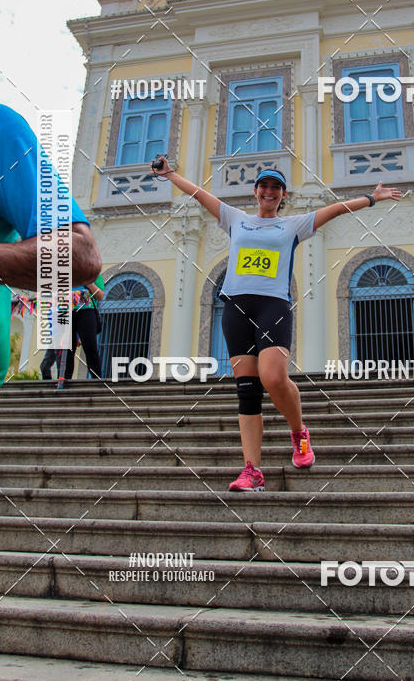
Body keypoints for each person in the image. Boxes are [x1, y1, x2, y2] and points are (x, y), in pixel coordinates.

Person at [151, 155, 401, 491]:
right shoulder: (235, 219)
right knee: (247, 391)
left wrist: (373, 198)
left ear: (283, 196)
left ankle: (299, 433)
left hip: (273, 306)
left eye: (276, 187)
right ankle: (251, 470)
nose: (269, 191)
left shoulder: (293, 225)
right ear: (256, 192)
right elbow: (198, 193)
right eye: (265, 186)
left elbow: (337, 209)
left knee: (272, 376)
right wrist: (170, 175)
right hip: (237, 308)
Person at [0, 102, 102, 482]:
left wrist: (84, 294)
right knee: (56, 352)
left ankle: (89, 379)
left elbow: (81, 257)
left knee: (73, 347)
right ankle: (58, 377)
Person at [56, 274, 105, 388]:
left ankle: (96, 379)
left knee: (90, 347)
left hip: (87, 311)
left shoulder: (92, 273)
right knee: (66, 349)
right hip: (66, 311)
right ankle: (64, 380)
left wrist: (89, 283)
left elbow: (100, 295)